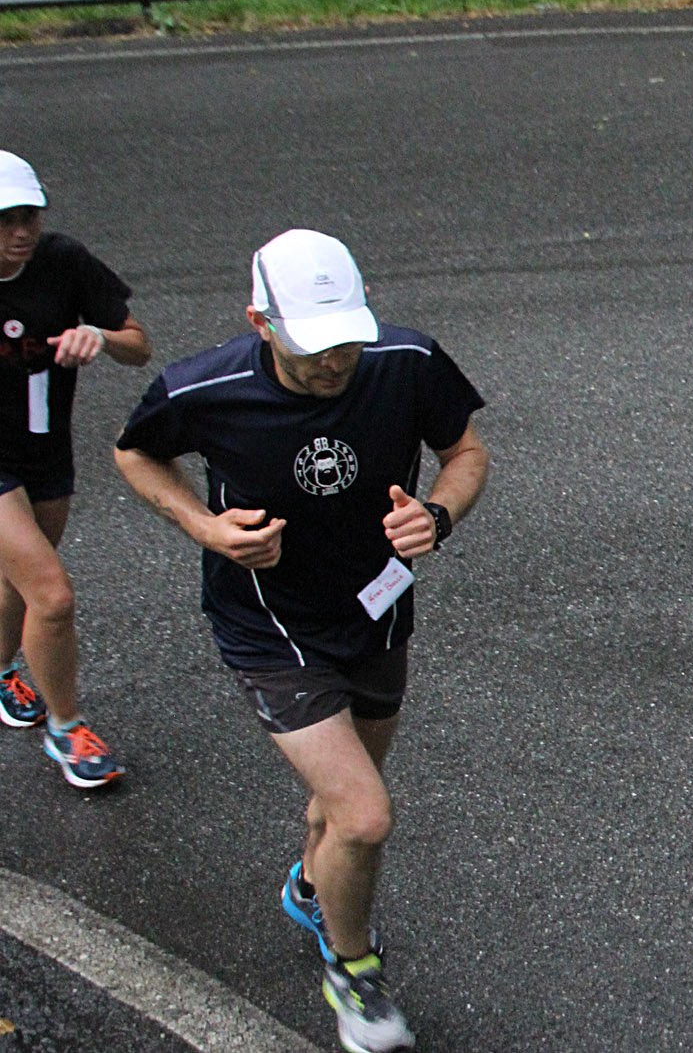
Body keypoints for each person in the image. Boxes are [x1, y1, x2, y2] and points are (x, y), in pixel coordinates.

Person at [114, 228, 488, 1053]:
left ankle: (311, 886)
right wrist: (205, 527)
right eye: (315, 347)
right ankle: (351, 974)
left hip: (378, 609)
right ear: (261, 321)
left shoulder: (406, 361)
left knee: (339, 803)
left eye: (347, 339)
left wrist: (438, 514)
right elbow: (134, 454)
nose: (334, 363)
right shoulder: (203, 389)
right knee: (363, 816)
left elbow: (463, 450)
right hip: (268, 626)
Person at [0, 150, 151, 788]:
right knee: (53, 595)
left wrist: (100, 337)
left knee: (17, 583)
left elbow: (137, 345)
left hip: (43, 447)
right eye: (5, 219)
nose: (22, 231)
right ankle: (67, 731)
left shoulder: (64, 261)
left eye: (30, 214)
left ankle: (2, 671)